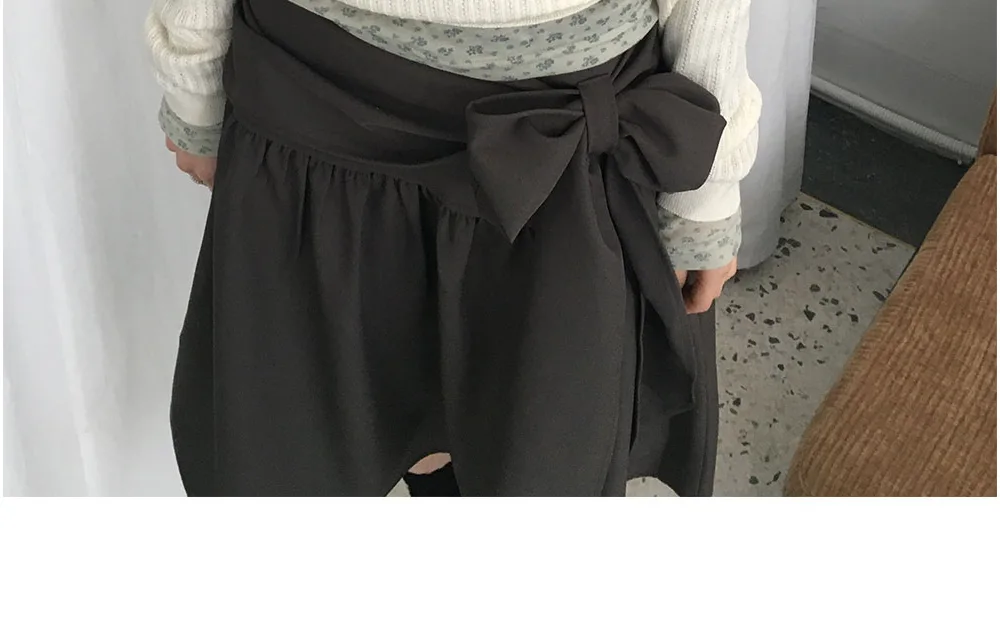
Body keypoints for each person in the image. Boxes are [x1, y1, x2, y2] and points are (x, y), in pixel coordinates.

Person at [149, 0, 757, 494]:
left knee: (534, 454)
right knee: (357, 435)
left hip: (557, 166)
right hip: (318, 123)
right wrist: (193, 78)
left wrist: (708, 186)